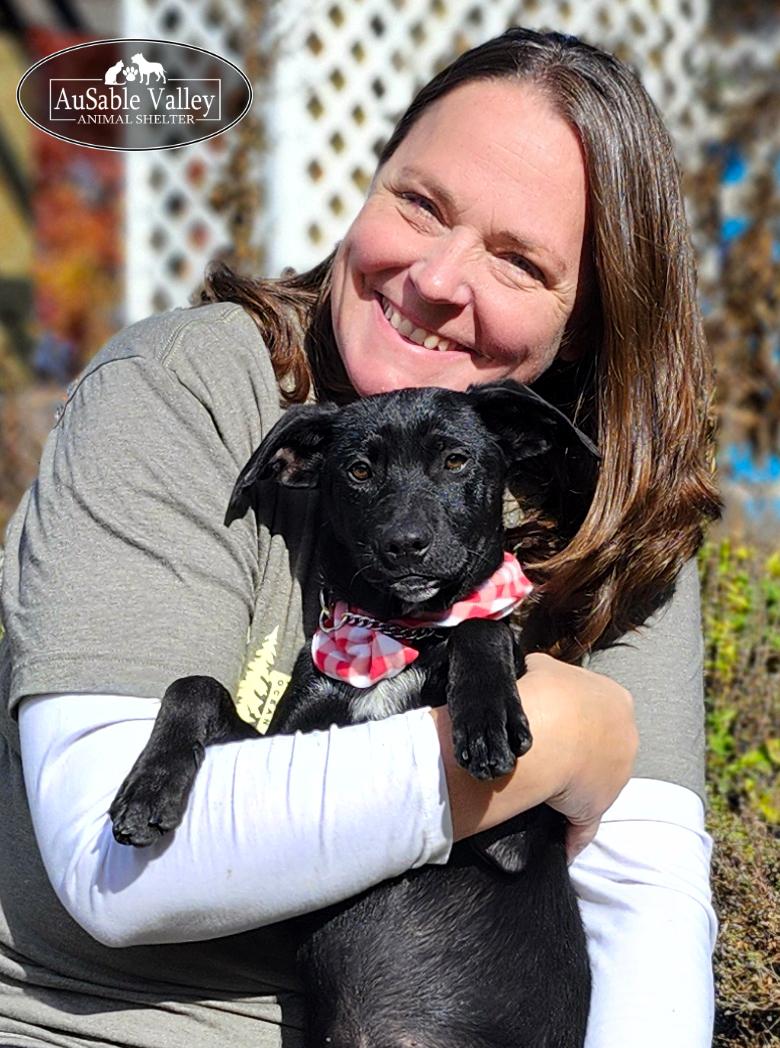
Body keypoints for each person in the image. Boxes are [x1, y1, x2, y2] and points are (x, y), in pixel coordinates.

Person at [0, 26, 720, 1048]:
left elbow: (642, 913)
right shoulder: (190, 393)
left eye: (519, 261)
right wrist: (559, 739)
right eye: (420, 202)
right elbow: (109, 865)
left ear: (588, 325)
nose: (438, 278)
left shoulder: (609, 508)